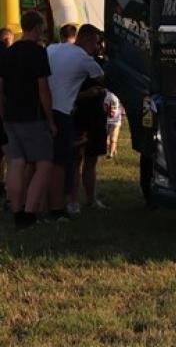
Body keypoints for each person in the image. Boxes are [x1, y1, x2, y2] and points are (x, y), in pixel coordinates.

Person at [0, 11, 56, 228]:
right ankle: (30, 212)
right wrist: (50, 119)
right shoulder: (38, 53)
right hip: (32, 116)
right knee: (44, 163)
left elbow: (1, 87)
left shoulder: (7, 52)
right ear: (37, 27)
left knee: (16, 162)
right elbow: (43, 89)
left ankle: (16, 210)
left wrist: (2, 112)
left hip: (10, 115)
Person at [46, 23, 104, 217]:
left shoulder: (54, 48)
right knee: (65, 162)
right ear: (87, 40)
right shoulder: (84, 59)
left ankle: (50, 203)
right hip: (66, 112)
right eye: (96, 43)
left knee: (51, 161)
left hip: (47, 108)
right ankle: (61, 206)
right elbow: (101, 76)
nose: (97, 47)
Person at [0, 27, 16, 204]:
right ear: (7, 40)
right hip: (5, 110)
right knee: (11, 154)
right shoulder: (7, 56)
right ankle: (9, 192)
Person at [105, 90, 123, 157]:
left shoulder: (119, 91)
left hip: (116, 120)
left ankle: (111, 154)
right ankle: (112, 150)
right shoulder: (105, 92)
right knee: (106, 139)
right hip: (106, 119)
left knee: (113, 139)